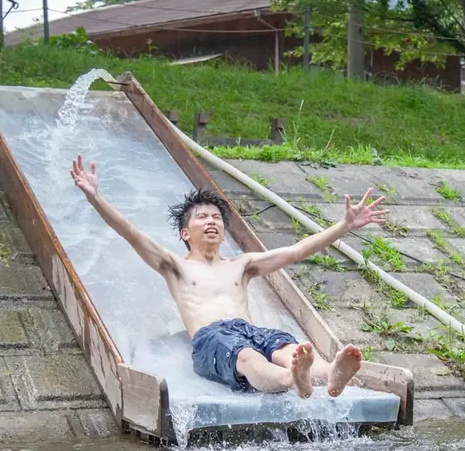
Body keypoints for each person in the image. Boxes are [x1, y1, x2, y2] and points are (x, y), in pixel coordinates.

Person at [70, 155, 390, 399]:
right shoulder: (175, 266)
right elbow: (133, 235)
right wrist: (95, 198)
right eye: (202, 217)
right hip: (212, 339)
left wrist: (343, 226)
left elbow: (296, 251)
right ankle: (293, 378)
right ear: (185, 232)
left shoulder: (242, 264)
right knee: (249, 357)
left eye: (216, 218)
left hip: (251, 330)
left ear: (224, 231)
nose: (211, 221)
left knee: (285, 346)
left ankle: (328, 373)